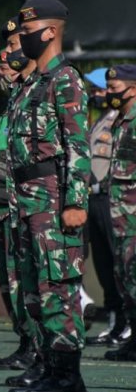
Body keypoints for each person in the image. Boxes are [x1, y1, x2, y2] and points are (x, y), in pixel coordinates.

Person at [6, 0, 90, 392]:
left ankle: (68, 377)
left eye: (26, 32)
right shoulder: (30, 84)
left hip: (54, 199)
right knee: (34, 290)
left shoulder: (65, 80)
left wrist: (75, 202)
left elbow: (77, 145)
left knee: (58, 286)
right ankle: (48, 366)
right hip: (25, 199)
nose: (22, 39)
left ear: (50, 31)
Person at [0, 21, 36, 372]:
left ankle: (40, 349)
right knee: (11, 283)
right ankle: (26, 343)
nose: (5, 56)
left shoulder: (39, 92)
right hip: (4, 207)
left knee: (32, 281)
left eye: (14, 46)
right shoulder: (14, 100)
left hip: (31, 207)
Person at [83, 67, 128, 346]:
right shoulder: (103, 119)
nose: (99, 95)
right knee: (103, 262)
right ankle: (115, 320)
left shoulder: (123, 120)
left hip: (116, 199)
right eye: (100, 90)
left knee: (119, 262)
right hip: (96, 197)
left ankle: (125, 322)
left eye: (103, 90)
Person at [102, 65, 136, 362]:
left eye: (115, 89)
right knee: (125, 276)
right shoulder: (120, 121)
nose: (109, 94)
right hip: (121, 215)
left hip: (134, 215)